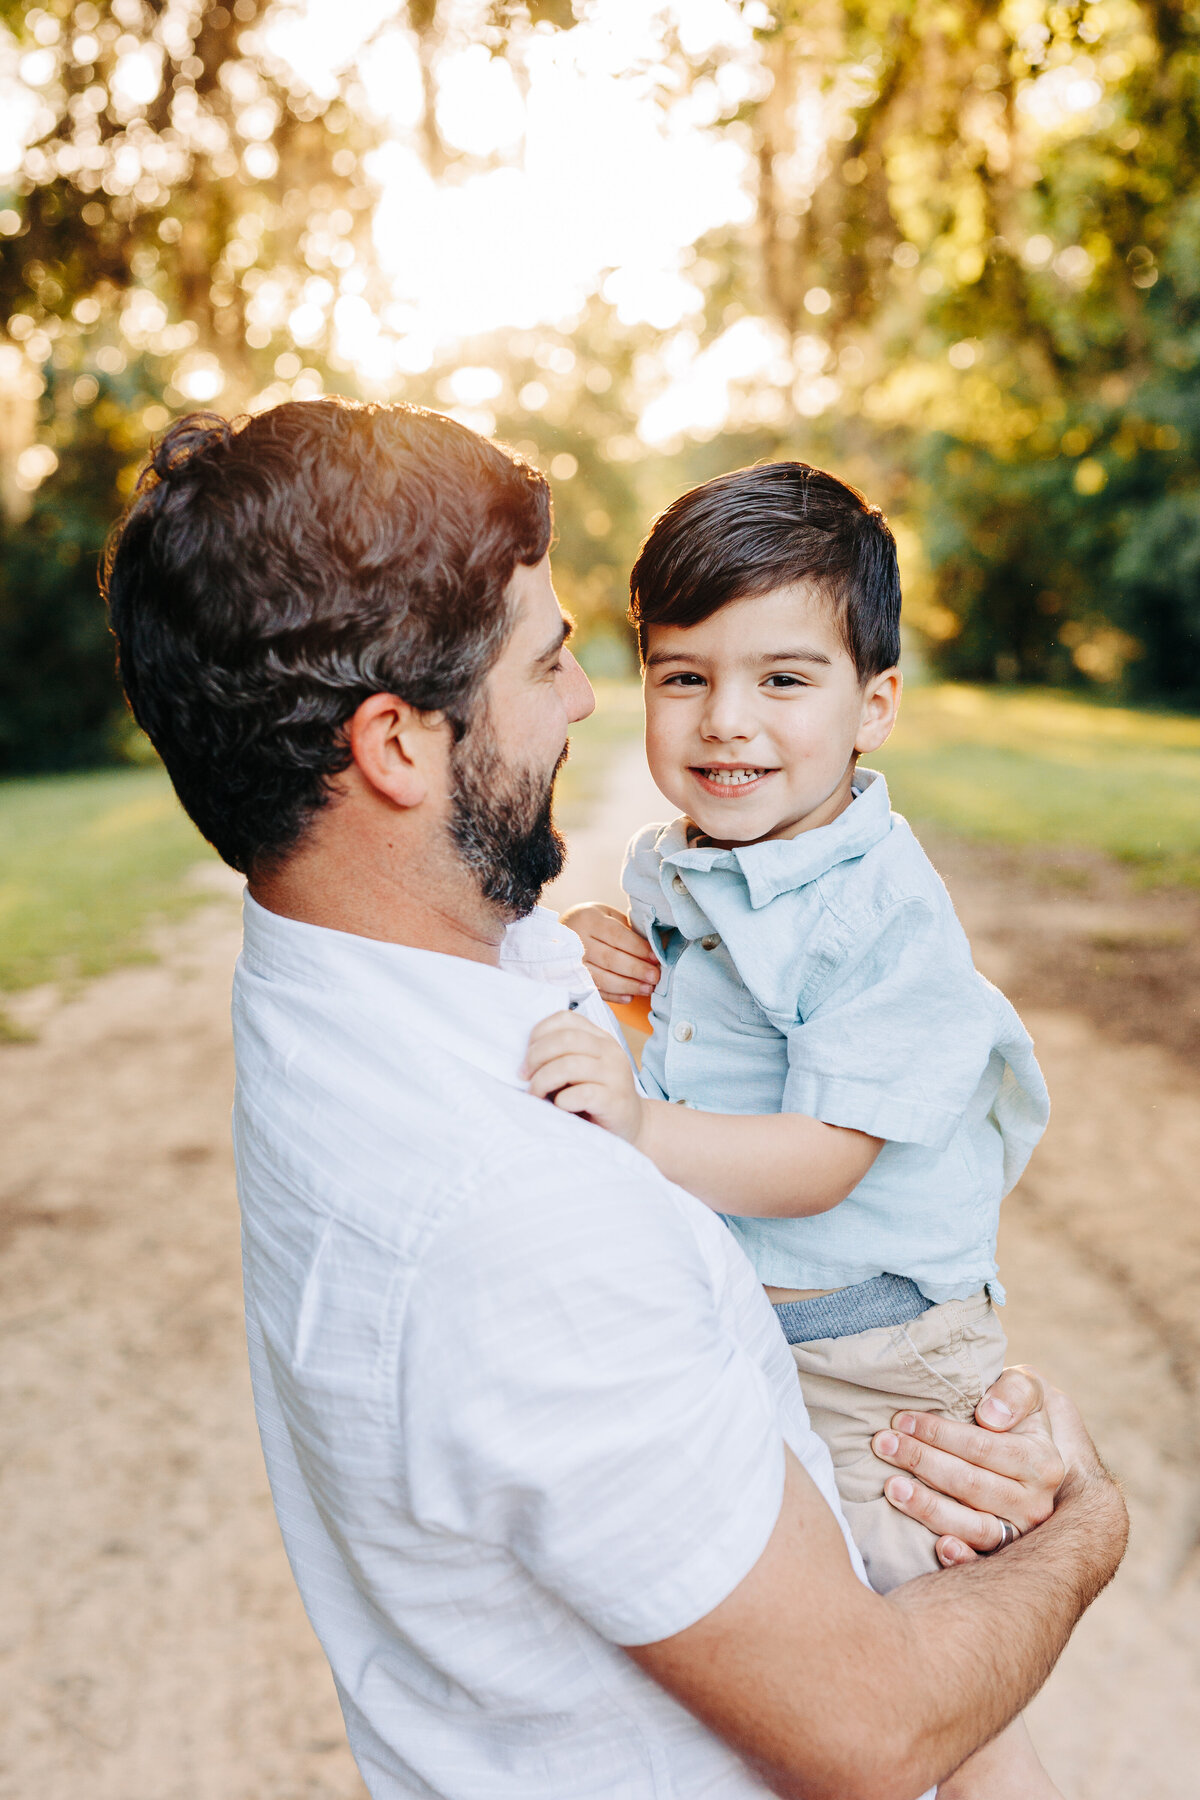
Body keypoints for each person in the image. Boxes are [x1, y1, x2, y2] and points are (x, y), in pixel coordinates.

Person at [103, 398, 1127, 1800]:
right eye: (557, 662)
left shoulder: (340, 978)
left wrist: (617, 998)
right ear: (399, 747)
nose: (591, 701)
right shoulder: (525, 1224)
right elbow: (879, 1730)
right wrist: (1085, 1524)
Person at [523, 460, 1059, 1792]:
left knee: (934, 1686)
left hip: (880, 1358)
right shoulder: (686, 861)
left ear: (875, 700)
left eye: (783, 679)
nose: (727, 724)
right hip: (758, 1327)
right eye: (684, 675)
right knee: (775, 1654)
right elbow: (705, 1031)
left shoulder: (877, 910)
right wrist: (610, 956)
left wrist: (637, 1130)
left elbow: (821, 1161)